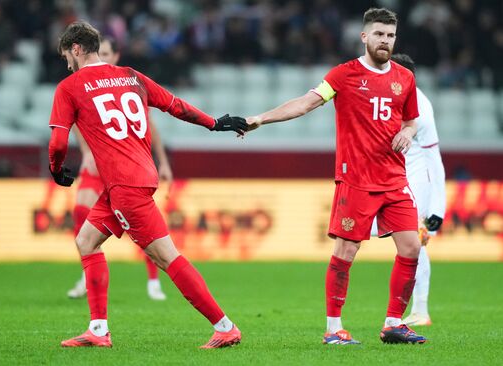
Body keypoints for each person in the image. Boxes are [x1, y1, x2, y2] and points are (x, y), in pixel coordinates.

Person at [48, 21, 248, 348]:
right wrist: (214, 123)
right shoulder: (131, 76)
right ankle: (98, 330)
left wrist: (57, 170)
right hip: (133, 179)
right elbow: (173, 104)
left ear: (77, 49)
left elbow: (57, 142)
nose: (66, 64)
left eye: (66, 57)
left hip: (125, 187)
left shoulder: (69, 87)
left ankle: (225, 325)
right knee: (86, 240)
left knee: (166, 257)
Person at [246, 8, 426, 344]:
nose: (385, 41)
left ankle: (393, 323)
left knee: (412, 248)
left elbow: (411, 120)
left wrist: (409, 132)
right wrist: (261, 118)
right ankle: (333, 329)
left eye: (390, 36)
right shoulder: (344, 75)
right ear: (364, 37)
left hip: (394, 179)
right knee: (346, 252)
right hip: (356, 179)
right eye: (379, 35)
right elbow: (305, 103)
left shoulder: (405, 78)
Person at [67, 37, 171, 301]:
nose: (100, 56)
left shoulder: (125, 82)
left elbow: (150, 126)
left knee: (143, 231)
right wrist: (86, 151)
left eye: (105, 52)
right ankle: (86, 275)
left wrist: (163, 161)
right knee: (81, 213)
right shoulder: (86, 85)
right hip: (99, 164)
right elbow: (76, 122)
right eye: (98, 51)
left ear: (115, 55)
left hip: (125, 168)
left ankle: (153, 280)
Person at [371, 54, 445, 327]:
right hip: (386, 178)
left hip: (415, 181)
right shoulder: (390, 98)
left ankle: (420, 310)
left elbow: (434, 158)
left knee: (415, 241)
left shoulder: (421, 108)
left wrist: (439, 207)